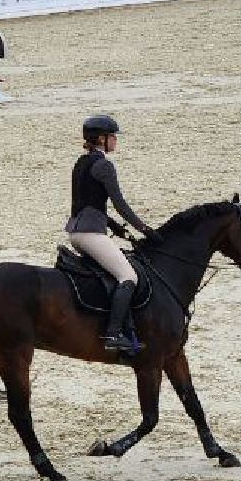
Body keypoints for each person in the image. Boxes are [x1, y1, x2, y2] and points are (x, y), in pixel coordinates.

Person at [66, 115, 156, 352]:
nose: (116, 140)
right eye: (112, 136)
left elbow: (88, 201)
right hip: (90, 234)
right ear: (101, 139)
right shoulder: (104, 166)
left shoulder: (80, 163)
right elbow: (120, 204)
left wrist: (115, 228)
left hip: (77, 232)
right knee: (129, 275)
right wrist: (144, 228)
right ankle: (113, 335)